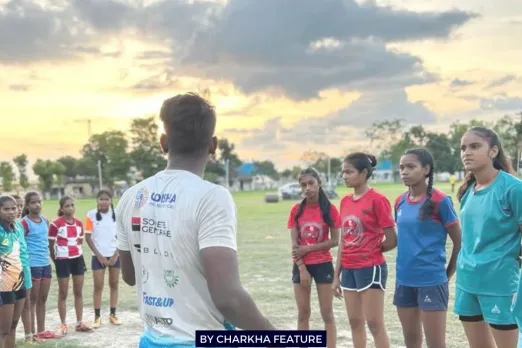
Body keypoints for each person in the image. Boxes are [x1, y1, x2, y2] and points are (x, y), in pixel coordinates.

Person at [115, 92, 275, 348]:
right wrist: (273, 335)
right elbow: (228, 298)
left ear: (163, 142)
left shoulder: (131, 197)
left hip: (152, 340)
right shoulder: (212, 198)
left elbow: (130, 276)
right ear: (213, 145)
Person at [456, 127, 522, 348]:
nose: (467, 152)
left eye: (475, 146)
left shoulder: (513, 188)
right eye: (463, 148)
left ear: (493, 151)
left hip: (499, 283)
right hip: (467, 280)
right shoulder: (467, 191)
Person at [393, 148, 461, 348]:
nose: (404, 171)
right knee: (411, 342)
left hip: (431, 280)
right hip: (404, 281)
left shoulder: (441, 201)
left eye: (411, 167)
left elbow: (459, 242)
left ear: (426, 169)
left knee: (435, 344)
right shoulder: (399, 201)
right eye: (402, 167)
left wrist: (447, 273)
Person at [332, 153, 397, 348]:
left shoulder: (377, 200)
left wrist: (373, 250)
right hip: (349, 270)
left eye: (349, 172)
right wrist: (337, 275)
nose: (344, 176)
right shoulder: (344, 201)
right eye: (343, 172)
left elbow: (392, 238)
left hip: (370, 268)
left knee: (375, 324)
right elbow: (344, 240)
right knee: (355, 322)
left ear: (364, 173)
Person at [288, 167, 340, 348]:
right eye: (303, 185)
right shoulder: (296, 210)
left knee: (327, 313)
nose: (307, 188)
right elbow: (294, 244)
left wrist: (309, 248)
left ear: (319, 183)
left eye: (311, 183)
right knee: (303, 313)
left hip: (323, 264)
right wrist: (302, 268)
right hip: (301, 267)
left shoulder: (329, 209)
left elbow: (335, 240)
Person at [49, 196, 93, 336]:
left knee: (78, 292)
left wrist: (76, 255)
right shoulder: (55, 224)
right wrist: (56, 260)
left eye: (72, 205)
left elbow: (79, 242)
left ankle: (79, 323)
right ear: (61, 208)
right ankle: (63, 324)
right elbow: (50, 246)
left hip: (77, 259)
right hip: (62, 260)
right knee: (63, 293)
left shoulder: (79, 224)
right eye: (67, 206)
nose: (70, 208)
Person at [21, 192, 60, 341]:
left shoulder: (45, 221)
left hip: (45, 264)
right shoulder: (24, 223)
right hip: (32, 265)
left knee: (42, 300)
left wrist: (54, 261)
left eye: (39, 202)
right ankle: (30, 334)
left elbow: (49, 245)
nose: (37, 205)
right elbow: (20, 244)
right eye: (33, 202)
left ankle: (41, 330)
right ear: (27, 205)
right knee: (31, 301)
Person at [85, 189, 121, 328]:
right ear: (97, 201)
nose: (104, 201)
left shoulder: (118, 214)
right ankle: (97, 316)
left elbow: (123, 236)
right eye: (101, 199)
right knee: (98, 286)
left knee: (114, 284)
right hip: (98, 257)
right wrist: (99, 255)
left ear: (111, 200)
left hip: (114, 255)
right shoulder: (91, 215)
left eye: (106, 199)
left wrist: (116, 255)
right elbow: (87, 237)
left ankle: (113, 314)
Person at [0, 195, 29, 348]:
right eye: (6, 209)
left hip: (19, 280)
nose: (11, 212)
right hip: (3, 285)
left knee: (13, 325)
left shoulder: (16, 227)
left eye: (14, 208)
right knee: (3, 330)